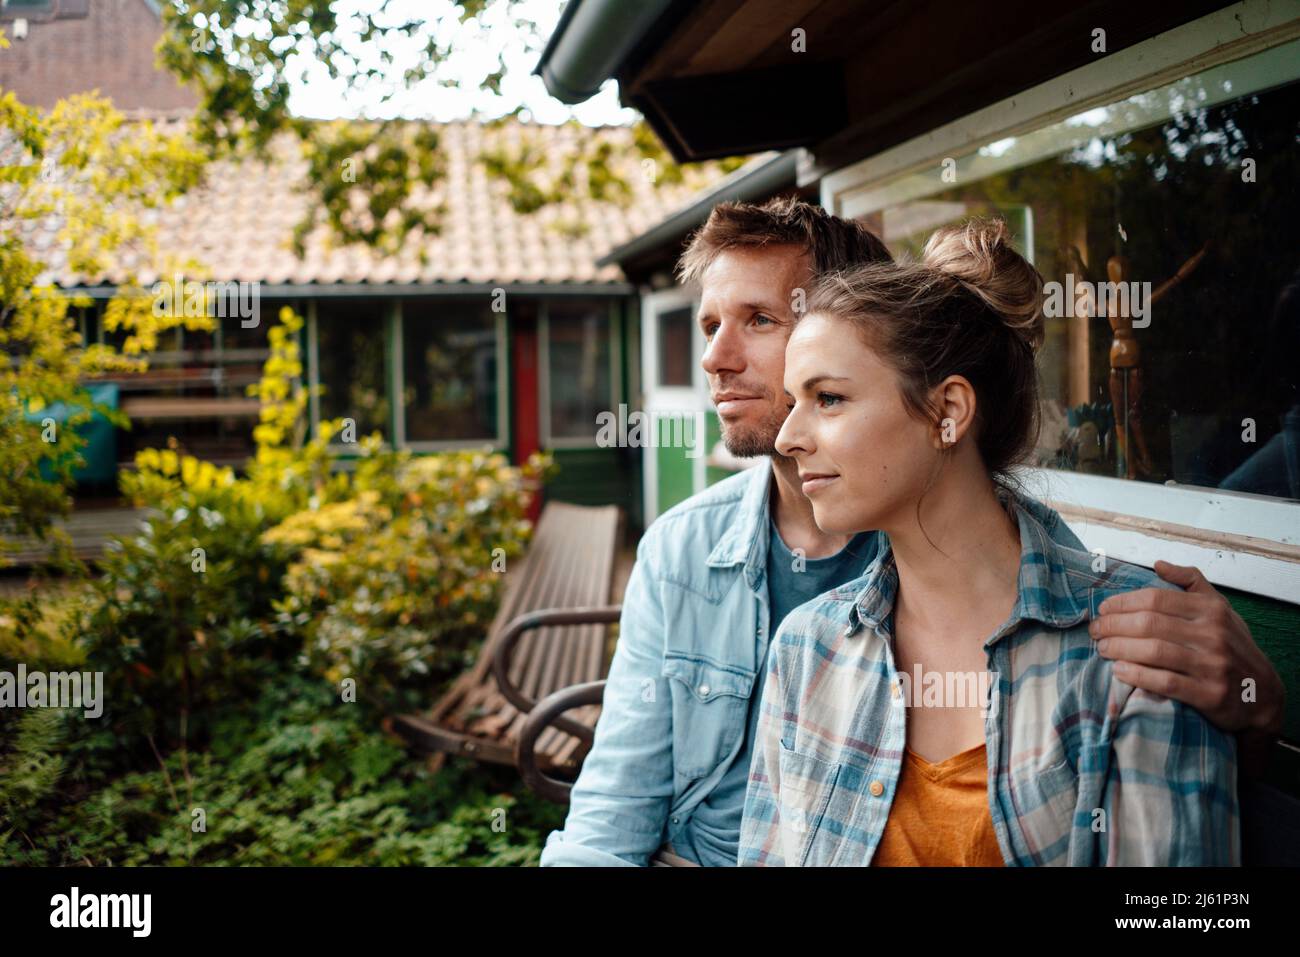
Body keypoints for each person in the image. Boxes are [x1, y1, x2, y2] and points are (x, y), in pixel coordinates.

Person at [539, 198, 1282, 867]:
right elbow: (613, 809)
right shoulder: (748, 596)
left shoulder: (1106, 634)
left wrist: (1251, 707)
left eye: (760, 320)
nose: (714, 357)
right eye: (708, 324)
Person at [737, 220, 1238, 866]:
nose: (787, 437)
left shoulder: (1133, 648)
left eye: (828, 398)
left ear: (948, 411)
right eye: (792, 402)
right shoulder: (806, 652)